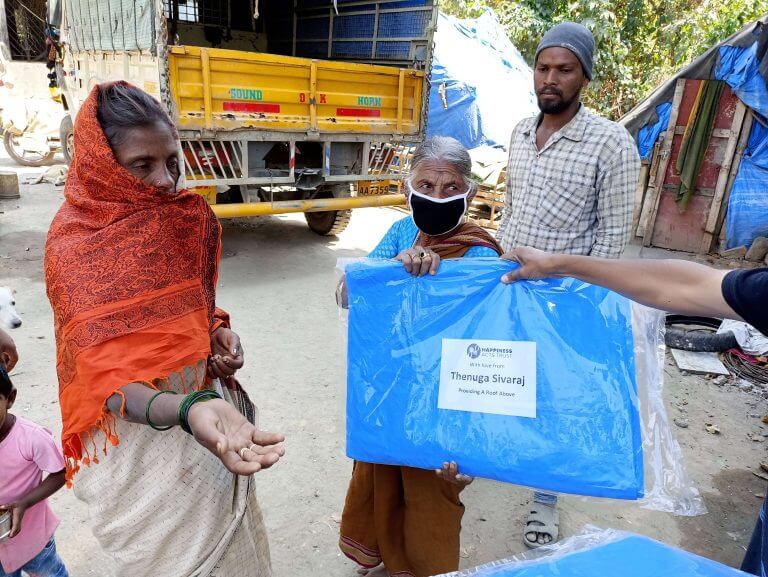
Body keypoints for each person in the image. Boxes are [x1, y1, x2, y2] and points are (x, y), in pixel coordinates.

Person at [44, 82, 285, 577]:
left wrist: (216, 336)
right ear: (99, 165)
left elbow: (195, 306)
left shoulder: (184, 220)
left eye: (172, 161)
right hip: (137, 444)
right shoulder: (75, 246)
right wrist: (190, 409)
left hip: (205, 417)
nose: (165, 180)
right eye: (142, 164)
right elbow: (105, 386)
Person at [500, 247, 766, 576]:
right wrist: (561, 264)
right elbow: (686, 285)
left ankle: (545, 498)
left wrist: (579, 283)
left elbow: (618, 239)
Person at [495, 21, 641, 548]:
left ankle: (545, 501)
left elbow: (612, 238)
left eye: (564, 69)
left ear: (584, 76)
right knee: (510, 381)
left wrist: (582, 298)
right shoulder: (518, 131)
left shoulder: (611, 143)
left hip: (565, 296)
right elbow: (511, 213)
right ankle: (504, 459)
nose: (550, 79)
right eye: (543, 67)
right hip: (511, 285)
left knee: (555, 394)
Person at [338, 136, 504, 577]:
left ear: (470, 193)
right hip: (394, 384)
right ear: (408, 186)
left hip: (445, 392)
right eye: (426, 184)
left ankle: (420, 568)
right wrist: (395, 268)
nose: (437, 195)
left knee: (433, 489)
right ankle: (383, 556)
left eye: (451, 188)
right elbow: (347, 293)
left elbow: (488, 345)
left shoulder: (482, 252)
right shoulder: (400, 233)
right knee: (384, 472)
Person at [0, 364, 69, 577]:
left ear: (10, 398)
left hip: (34, 541)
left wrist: (25, 502)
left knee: (50, 573)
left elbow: (61, 471)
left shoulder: (31, 438)